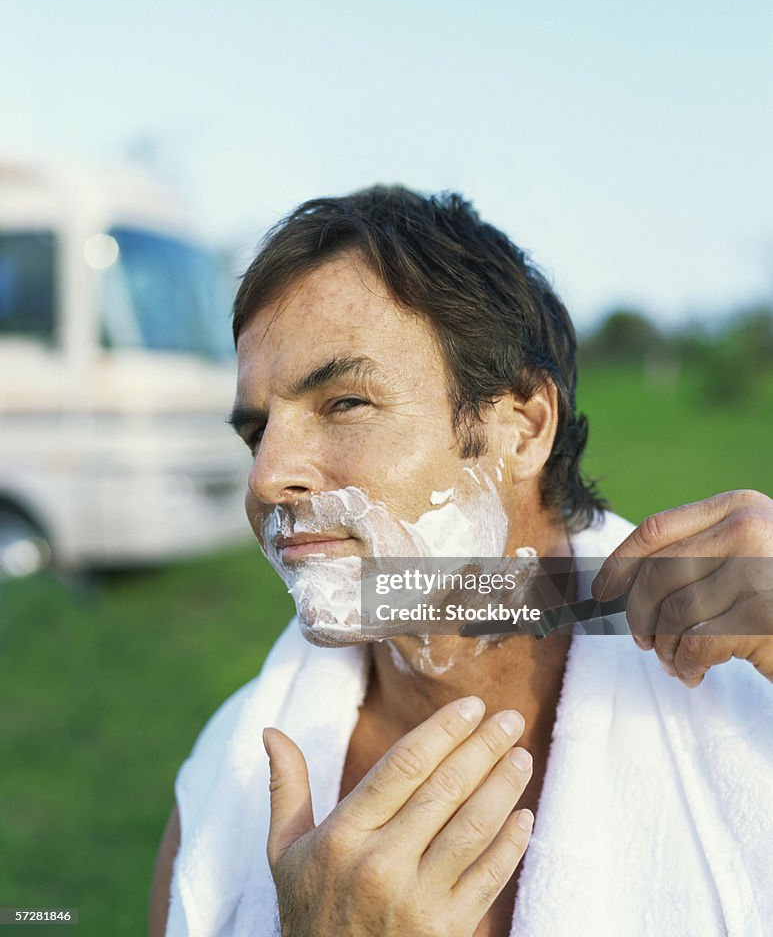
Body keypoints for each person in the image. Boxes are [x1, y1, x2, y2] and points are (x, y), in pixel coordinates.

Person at [150, 187, 773, 937]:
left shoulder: (746, 686)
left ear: (522, 429)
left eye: (344, 403)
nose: (266, 477)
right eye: (256, 429)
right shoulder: (227, 786)